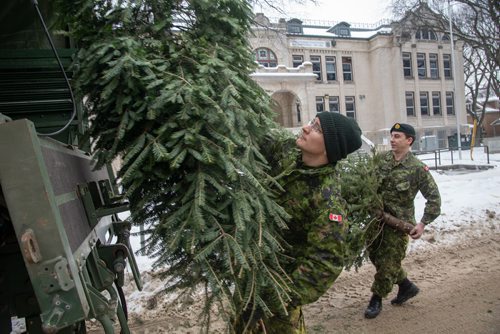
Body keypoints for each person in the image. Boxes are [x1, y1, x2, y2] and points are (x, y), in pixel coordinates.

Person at [251, 112, 362, 333]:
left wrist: (279, 298)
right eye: (312, 122)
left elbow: (324, 264)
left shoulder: (328, 202)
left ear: (331, 147)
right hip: (252, 282)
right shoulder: (289, 156)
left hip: (278, 303)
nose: (305, 128)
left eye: (317, 129)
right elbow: (259, 136)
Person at [364, 123, 441, 319]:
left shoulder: (417, 168)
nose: (392, 139)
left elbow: (434, 198)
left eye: (397, 136)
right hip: (377, 221)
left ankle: (376, 298)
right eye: (391, 136)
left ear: (409, 140)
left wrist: (422, 223)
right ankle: (406, 286)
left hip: (399, 225)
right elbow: (369, 184)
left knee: (389, 263)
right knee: (377, 257)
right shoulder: (382, 161)